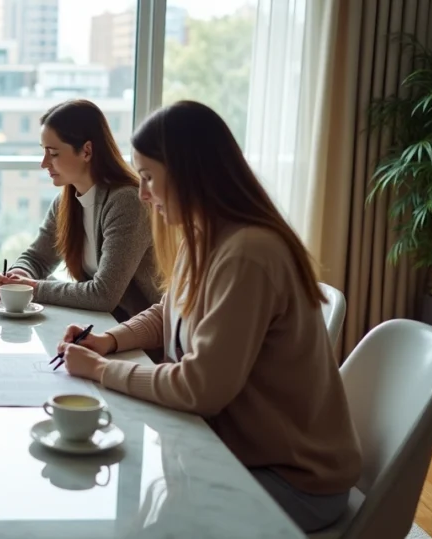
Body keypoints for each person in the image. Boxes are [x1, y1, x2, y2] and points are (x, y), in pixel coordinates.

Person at [55, 101, 361, 533]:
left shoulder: (249, 253)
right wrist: (109, 340)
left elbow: (199, 388)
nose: (143, 194)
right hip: (240, 454)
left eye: (149, 177)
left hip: (291, 481)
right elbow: (169, 311)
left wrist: (101, 370)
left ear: (188, 173)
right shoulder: (205, 236)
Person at [0, 99, 160, 320]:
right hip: (101, 323)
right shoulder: (66, 201)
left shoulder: (127, 202)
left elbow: (104, 295)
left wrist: (32, 287)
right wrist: (17, 276)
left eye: (53, 153)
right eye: (44, 151)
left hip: (142, 329)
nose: (44, 163)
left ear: (86, 151)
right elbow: (37, 258)